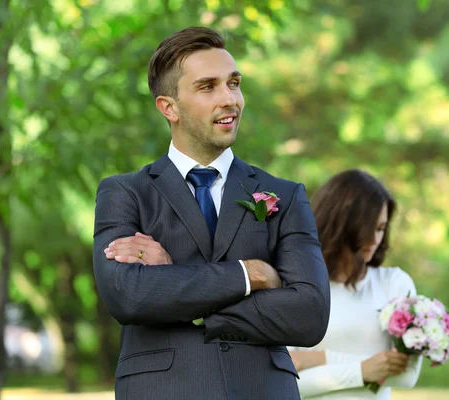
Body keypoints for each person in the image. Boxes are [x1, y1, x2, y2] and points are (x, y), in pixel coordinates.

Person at [92, 27, 331, 400]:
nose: (230, 99)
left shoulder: (285, 195)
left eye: (233, 83)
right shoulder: (125, 192)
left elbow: (309, 314)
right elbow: (128, 295)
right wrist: (251, 273)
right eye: (208, 87)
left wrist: (177, 285)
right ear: (168, 107)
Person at [288, 169, 422, 399]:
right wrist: (361, 370)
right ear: (340, 224)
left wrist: (320, 359)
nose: (375, 240)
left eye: (380, 228)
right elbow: (285, 383)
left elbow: (407, 376)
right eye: (367, 228)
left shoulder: (395, 283)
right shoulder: (297, 284)